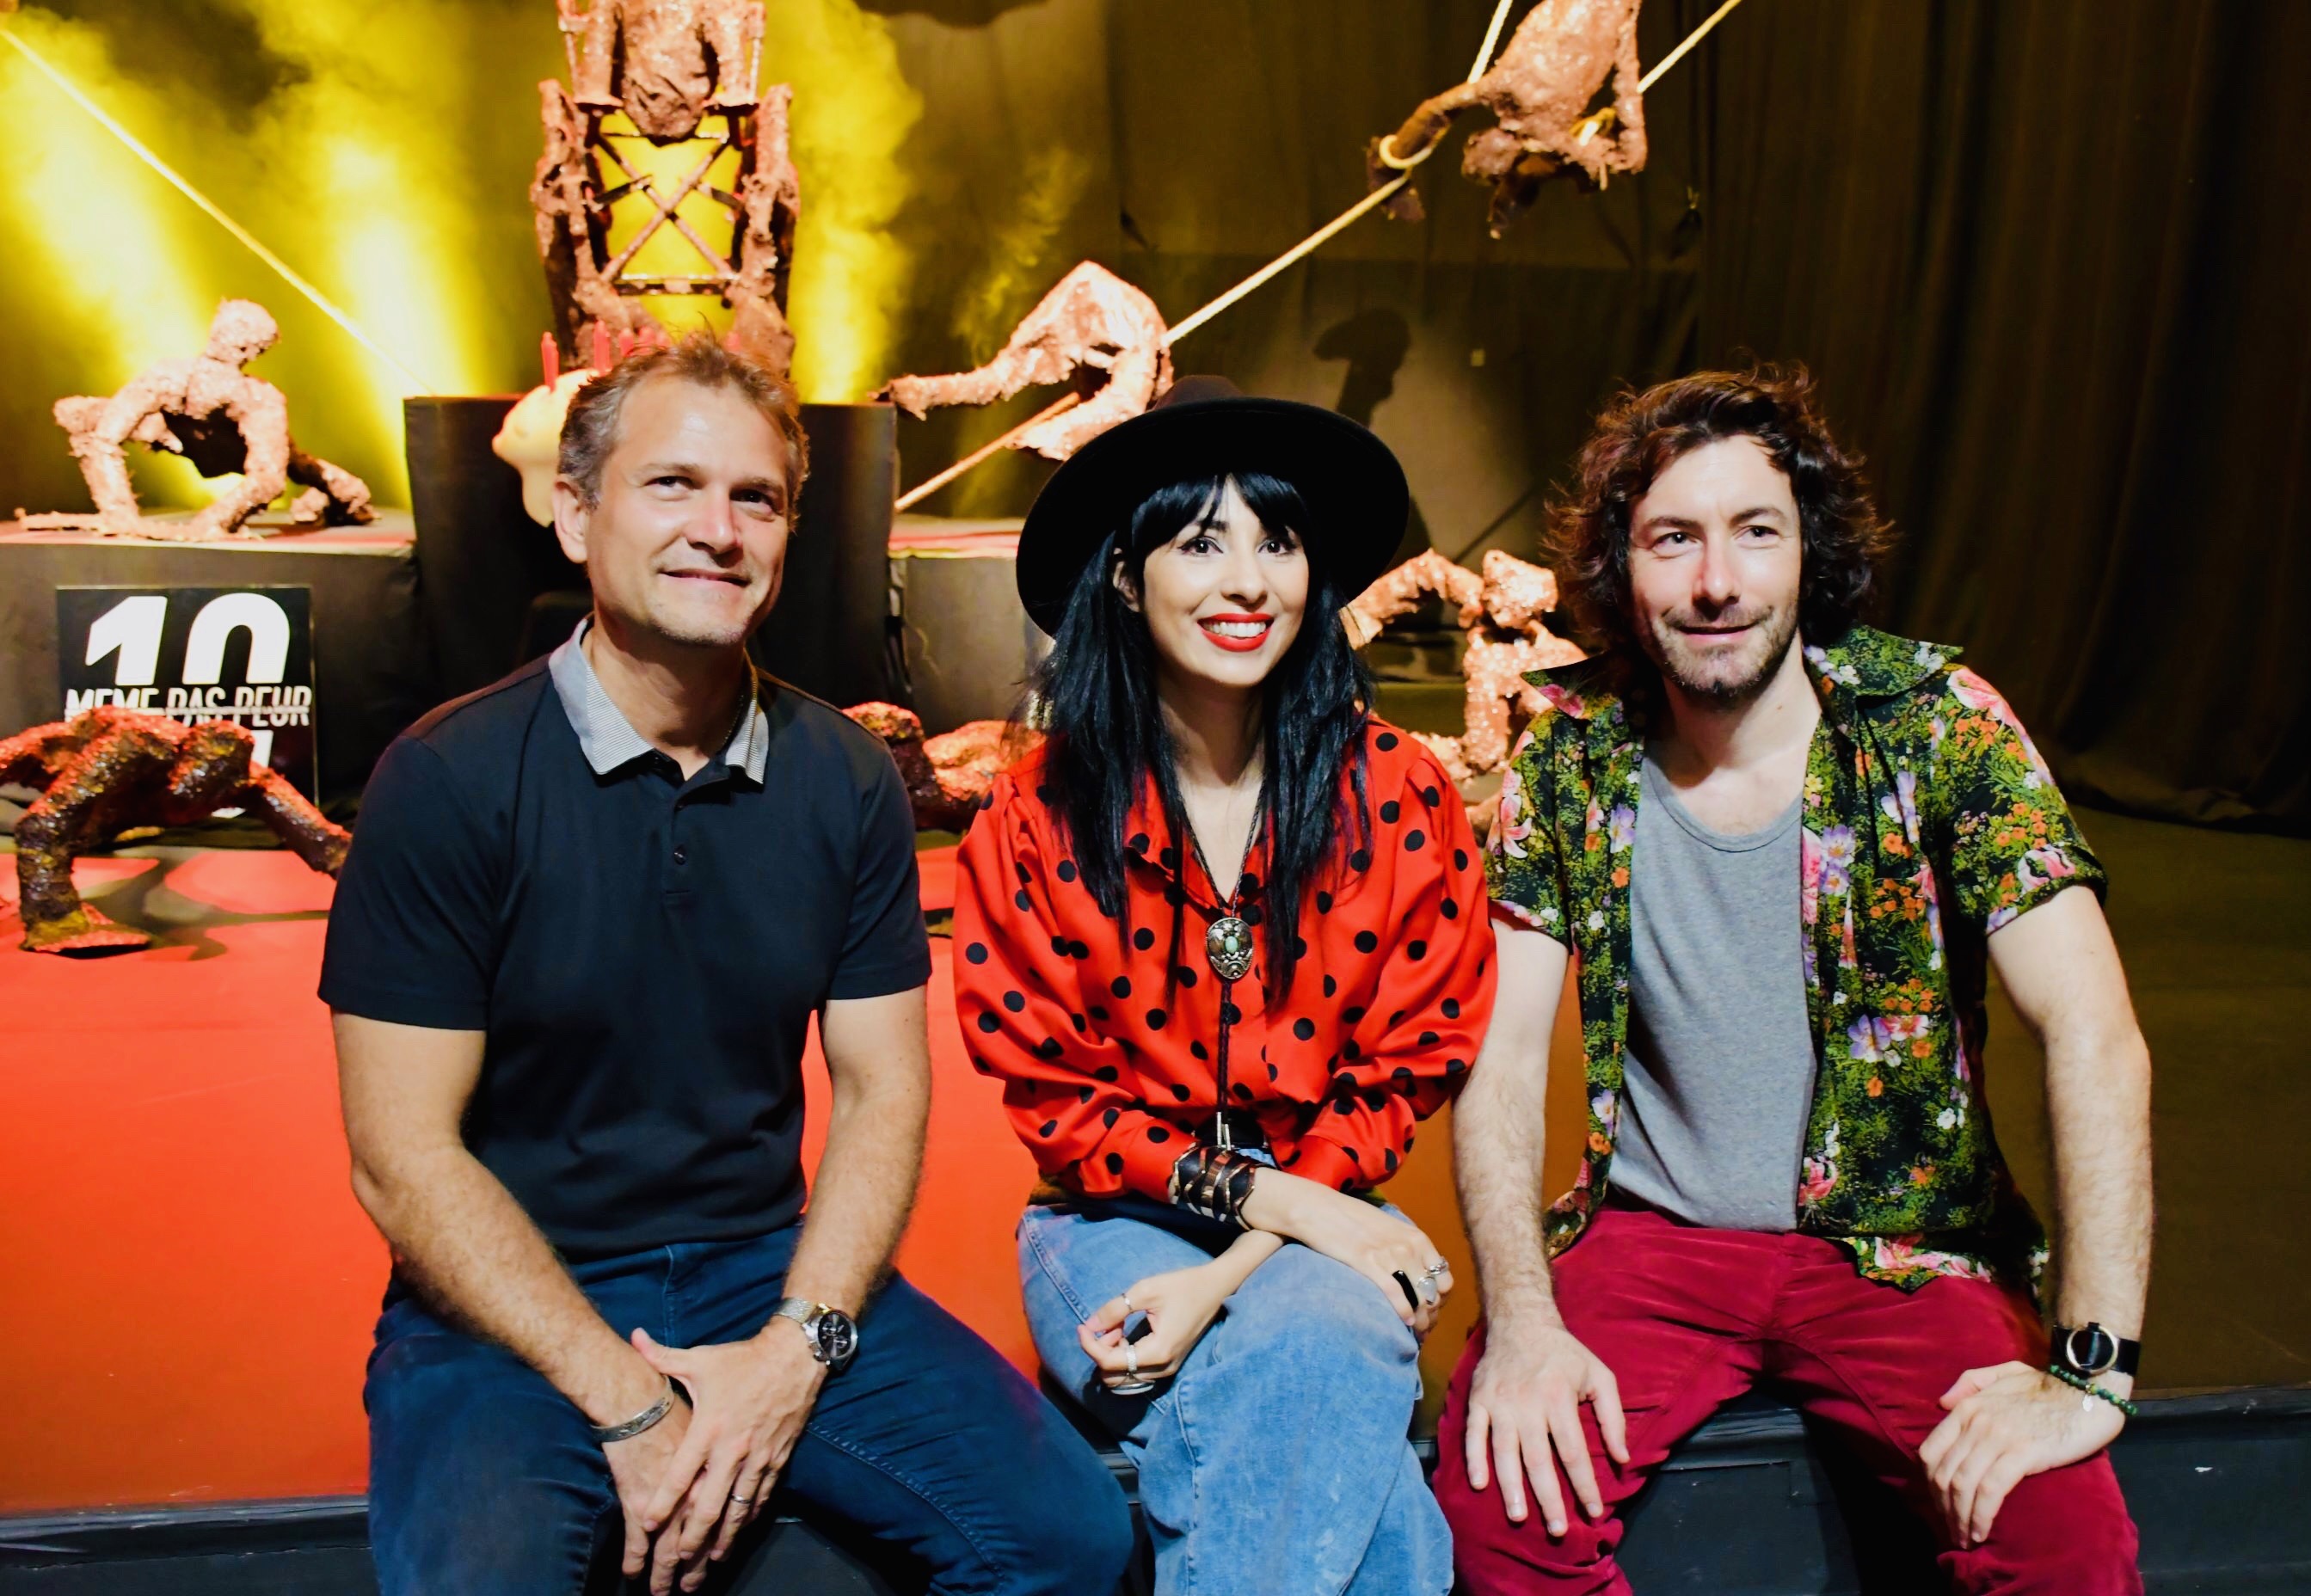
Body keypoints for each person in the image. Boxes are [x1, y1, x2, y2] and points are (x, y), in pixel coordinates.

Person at [321, 335, 1131, 1596]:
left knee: (1073, 1543)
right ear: (576, 516)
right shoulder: (446, 779)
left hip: (764, 1263)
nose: (720, 529)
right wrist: (634, 1406)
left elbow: (879, 1094)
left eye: (756, 498)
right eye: (673, 486)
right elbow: (402, 1156)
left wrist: (795, 1350)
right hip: (508, 1298)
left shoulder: (846, 780)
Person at [1434, 365, 2151, 1593]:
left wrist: (2091, 1368)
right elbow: (1497, 1069)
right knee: (1500, 1511)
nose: (1716, 580)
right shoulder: (1571, 754)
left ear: (1808, 552)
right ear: (1623, 567)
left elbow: (2091, 1025)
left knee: (2061, 1547)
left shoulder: (1938, 728)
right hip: (1653, 1239)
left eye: (1755, 533)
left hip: (1902, 1249)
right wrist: (1527, 1328)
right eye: (1674, 539)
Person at [952, 377, 1497, 1595]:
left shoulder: (1397, 795)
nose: (1249, 580)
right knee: (1353, 1381)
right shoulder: (1036, 814)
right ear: (1127, 575)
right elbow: (1064, 1113)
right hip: (1107, 1227)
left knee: (1331, 1376)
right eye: (1200, 542)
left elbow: (1403, 1071)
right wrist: (1293, 1226)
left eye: (1279, 540)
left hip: (1325, 1202)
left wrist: (1229, 1271)